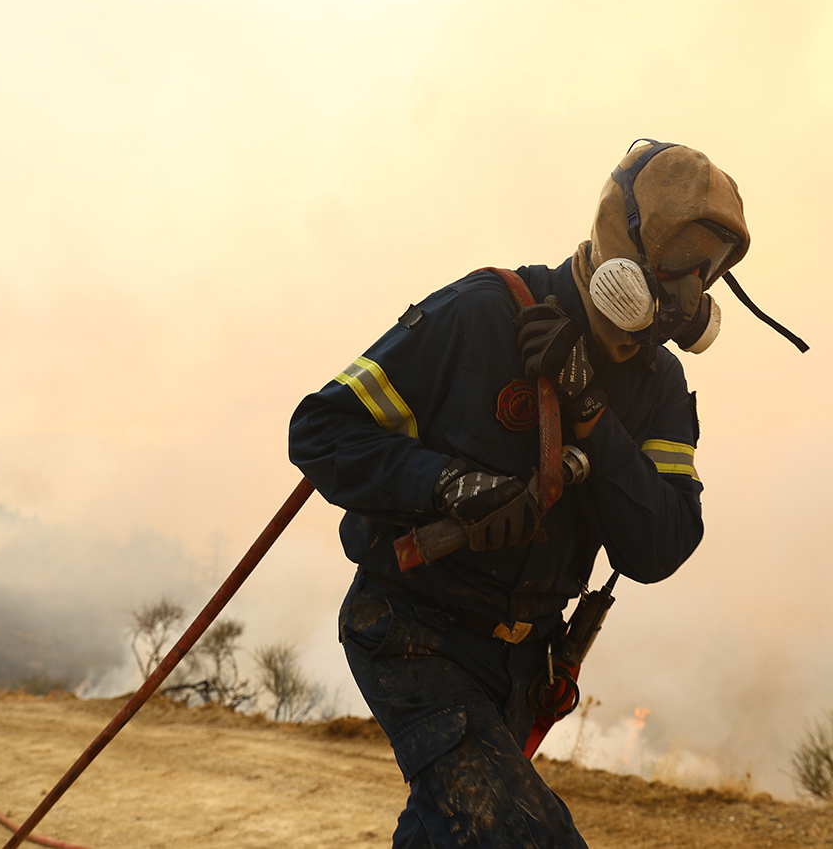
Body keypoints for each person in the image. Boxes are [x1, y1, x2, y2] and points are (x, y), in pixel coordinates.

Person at [289, 139, 752, 847]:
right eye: (677, 261)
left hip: (522, 660)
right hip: (413, 635)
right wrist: (448, 485)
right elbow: (321, 430)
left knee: (448, 832)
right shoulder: (481, 315)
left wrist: (590, 413)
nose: (689, 293)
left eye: (708, 271)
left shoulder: (656, 386)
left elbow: (660, 543)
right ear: (621, 240)